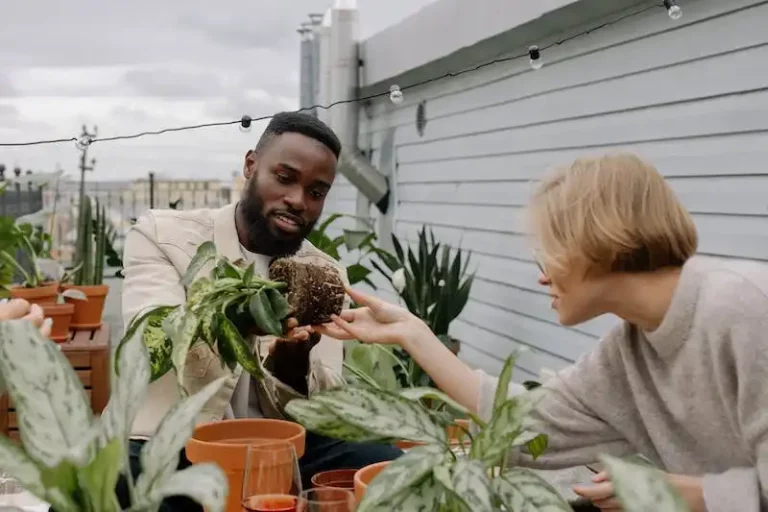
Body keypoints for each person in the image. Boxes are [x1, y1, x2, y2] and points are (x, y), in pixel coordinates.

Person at [316, 153, 768, 512]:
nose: (542, 276)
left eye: (548, 252)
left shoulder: (743, 310)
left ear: (598, 238)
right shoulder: (628, 351)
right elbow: (523, 425)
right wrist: (413, 333)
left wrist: (673, 494)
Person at [120, 112, 401, 511]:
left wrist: (290, 369)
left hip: (283, 448)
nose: (298, 201)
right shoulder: (163, 237)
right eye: (285, 178)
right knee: (107, 484)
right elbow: (153, 340)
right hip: (175, 442)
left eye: (316, 192)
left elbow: (324, 409)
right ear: (251, 165)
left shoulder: (325, 275)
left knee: (391, 467)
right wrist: (236, 322)